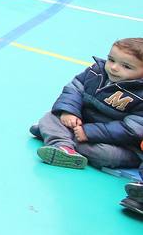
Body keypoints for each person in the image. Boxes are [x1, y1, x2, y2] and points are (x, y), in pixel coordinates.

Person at [31, 38, 143, 170]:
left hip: (118, 143)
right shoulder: (96, 72)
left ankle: (57, 136)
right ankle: (64, 148)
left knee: (107, 155)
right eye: (111, 60)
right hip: (81, 124)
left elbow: (132, 129)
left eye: (126, 66)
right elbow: (74, 89)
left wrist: (89, 133)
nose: (113, 68)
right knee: (50, 117)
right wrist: (69, 112)